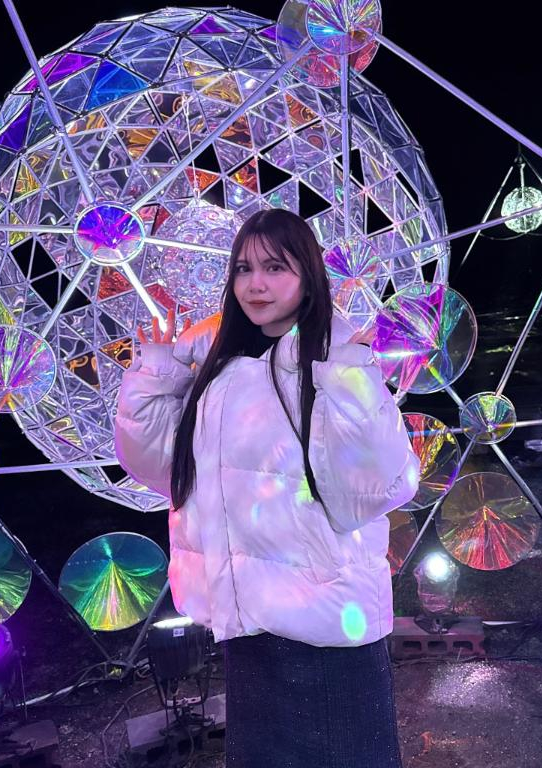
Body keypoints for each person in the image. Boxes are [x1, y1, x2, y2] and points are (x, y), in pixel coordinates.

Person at [115, 208, 420, 768]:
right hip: (246, 619)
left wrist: (348, 376)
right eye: (244, 269)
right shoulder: (219, 366)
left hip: (327, 622)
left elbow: (375, 487)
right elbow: (161, 468)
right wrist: (158, 371)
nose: (256, 284)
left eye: (275, 268)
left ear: (308, 275)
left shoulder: (334, 358)